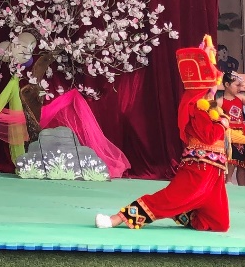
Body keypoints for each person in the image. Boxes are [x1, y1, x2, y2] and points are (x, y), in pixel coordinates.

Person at [97, 39, 229, 231]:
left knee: (219, 223)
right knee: (167, 200)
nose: (215, 88)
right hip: (199, 168)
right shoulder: (197, 108)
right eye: (212, 86)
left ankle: (180, 211)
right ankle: (117, 218)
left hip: (214, 172)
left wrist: (209, 56)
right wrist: (222, 124)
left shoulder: (208, 108)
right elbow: (209, 136)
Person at [222, 72, 245, 186]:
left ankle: (243, 188)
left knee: (242, 164)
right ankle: (228, 182)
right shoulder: (220, 101)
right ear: (227, 84)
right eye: (237, 85)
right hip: (230, 135)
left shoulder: (240, 98)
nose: (239, 88)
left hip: (243, 135)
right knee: (231, 160)